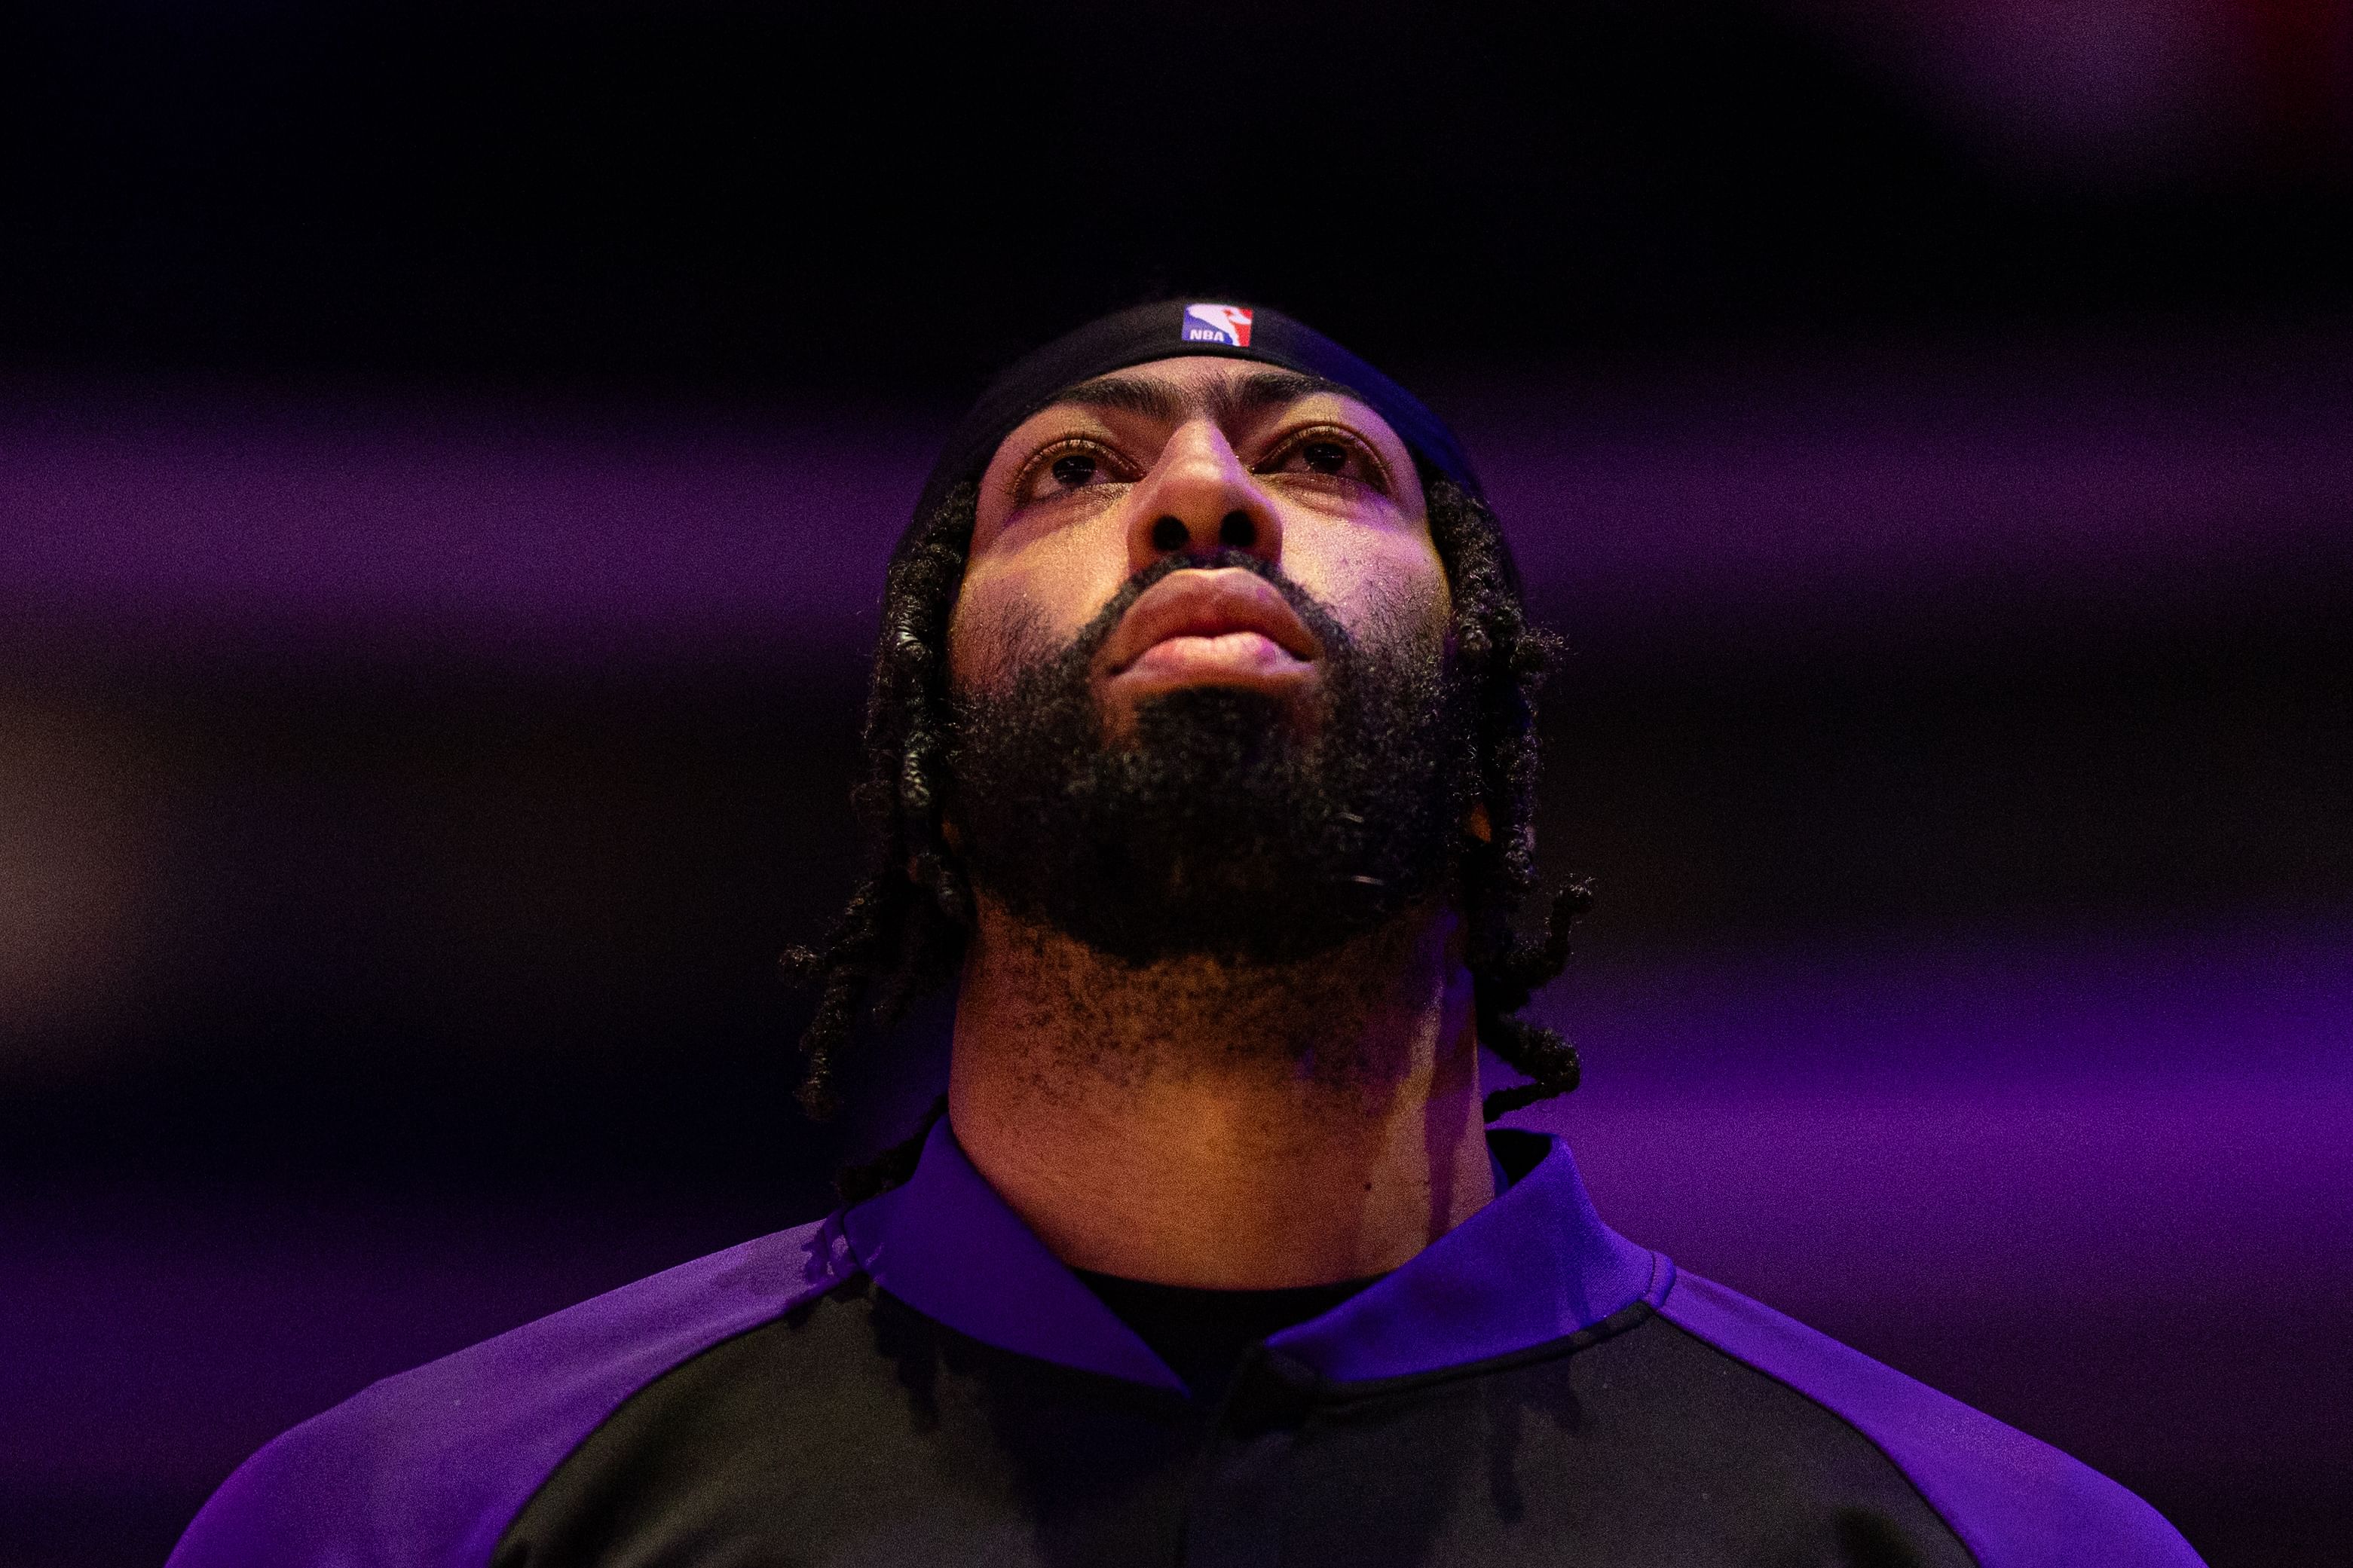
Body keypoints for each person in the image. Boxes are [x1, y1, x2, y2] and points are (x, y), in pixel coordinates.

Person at [168, 301, 2203, 1566]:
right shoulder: (415, 1519)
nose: (1202, 494)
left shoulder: (1990, 1543)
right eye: (1074, 472)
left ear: (1488, 751)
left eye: (1323, 464)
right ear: (934, 771)